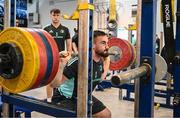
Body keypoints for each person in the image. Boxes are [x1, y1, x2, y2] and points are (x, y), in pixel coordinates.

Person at [50, 30, 111, 117]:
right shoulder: (77, 62)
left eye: (107, 43)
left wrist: (107, 60)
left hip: (84, 96)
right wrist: (61, 65)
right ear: (93, 45)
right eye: (103, 43)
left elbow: (100, 78)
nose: (107, 47)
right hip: (66, 99)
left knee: (105, 114)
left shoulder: (100, 61)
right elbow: (54, 84)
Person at [43, 8, 72, 102]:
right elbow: (44, 45)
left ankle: (59, 97)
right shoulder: (46, 29)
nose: (55, 17)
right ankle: (49, 99)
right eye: (54, 15)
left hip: (62, 58)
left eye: (57, 15)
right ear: (50, 16)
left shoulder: (65, 29)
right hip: (50, 58)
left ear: (60, 16)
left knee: (60, 79)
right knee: (49, 79)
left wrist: (69, 55)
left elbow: (69, 45)